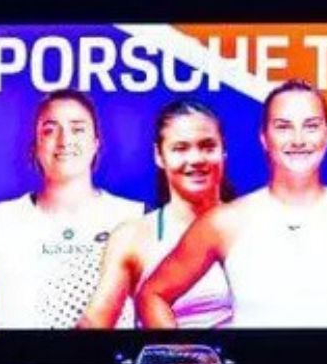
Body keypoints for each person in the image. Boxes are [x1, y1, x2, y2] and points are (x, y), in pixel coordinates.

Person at [137, 81, 327, 328]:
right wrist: (188, 358)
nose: (298, 139)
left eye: (311, 126)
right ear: (264, 137)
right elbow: (152, 296)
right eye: (283, 127)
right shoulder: (224, 222)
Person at [0, 91, 144, 329]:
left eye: (78, 129)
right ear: (35, 146)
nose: (64, 140)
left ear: (96, 143)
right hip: (22, 355)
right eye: (50, 130)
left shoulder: (135, 218)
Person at [79, 100, 235, 329]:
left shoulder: (253, 224)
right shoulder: (133, 237)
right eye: (180, 148)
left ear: (223, 151)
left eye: (208, 146)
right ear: (159, 155)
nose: (196, 159)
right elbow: (93, 325)